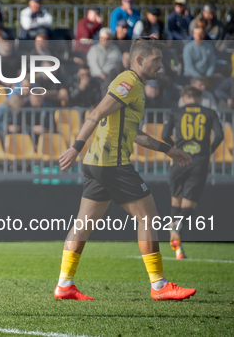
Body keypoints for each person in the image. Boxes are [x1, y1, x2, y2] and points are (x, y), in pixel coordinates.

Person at [55, 37, 196, 301]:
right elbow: (96, 113)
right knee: (149, 217)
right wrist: (75, 147)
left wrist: (167, 149)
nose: (161, 65)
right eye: (157, 60)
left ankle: (64, 283)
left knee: (83, 223)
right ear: (140, 60)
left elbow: (134, 132)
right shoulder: (129, 82)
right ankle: (159, 285)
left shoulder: (130, 83)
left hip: (97, 164)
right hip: (113, 164)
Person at [161, 86, 223, 259]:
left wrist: (175, 148)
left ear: (183, 97)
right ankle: (176, 228)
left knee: (176, 201)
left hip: (179, 160)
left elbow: (164, 134)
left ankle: (178, 250)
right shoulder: (210, 112)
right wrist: (208, 151)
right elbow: (219, 136)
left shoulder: (175, 111)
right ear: (200, 97)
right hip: (199, 162)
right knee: (189, 204)